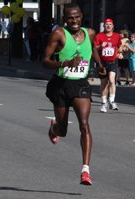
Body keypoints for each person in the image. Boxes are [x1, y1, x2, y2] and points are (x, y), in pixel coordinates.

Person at [42, 3, 106, 185]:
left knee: (84, 124)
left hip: (80, 85)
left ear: (81, 16)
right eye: (70, 18)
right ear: (65, 19)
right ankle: (53, 128)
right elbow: (45, 61)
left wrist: (99, 64)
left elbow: (92, 48)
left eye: (77, 17)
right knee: (62, 131)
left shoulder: (90, 33)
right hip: (61, 85)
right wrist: (65, 64)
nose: (74, 21)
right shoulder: (59, 34)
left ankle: (85, 170)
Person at [94, 18, 122, 113]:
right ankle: (103, 102)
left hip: (113, 61)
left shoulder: (116, 35)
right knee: (103, 83)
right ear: (104, 26)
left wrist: (120, 52)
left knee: (111, 81)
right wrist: (101, 46)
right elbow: (94, 48)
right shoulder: (99, 36)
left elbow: (119, 45)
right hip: (102, 63)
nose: (108, 26)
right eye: (106, 24)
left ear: (112, 26)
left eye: (110, 24)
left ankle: (112, 101)